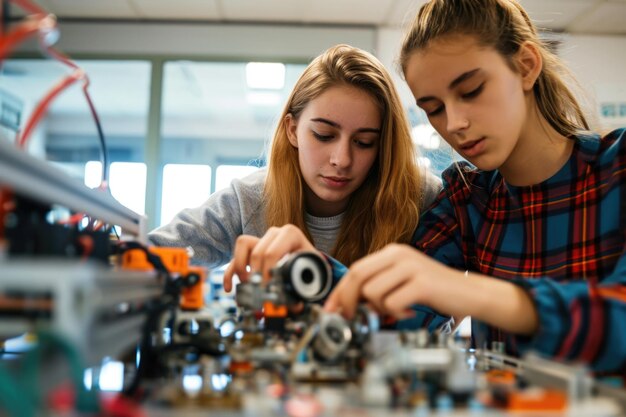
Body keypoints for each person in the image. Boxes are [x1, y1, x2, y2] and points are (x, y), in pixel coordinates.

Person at [232, 0, 626, 372]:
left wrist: (470, 294)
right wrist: (313, 270)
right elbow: (403, 322)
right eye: (433, 108)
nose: (453, 123)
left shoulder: (617, 168)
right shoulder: (466, 199)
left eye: (471, 91)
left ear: (526, 65)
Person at [149, 44, 442, 293]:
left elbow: (441, 313)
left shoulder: (420, 197)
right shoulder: (249, 200)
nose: (342, 159)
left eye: (364, 142)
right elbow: (151, 256)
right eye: (324, 136)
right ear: (292, 130)